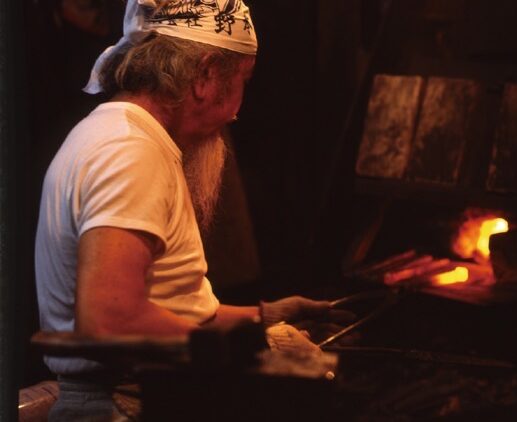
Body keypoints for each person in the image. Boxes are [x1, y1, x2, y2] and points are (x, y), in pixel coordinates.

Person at [34, 1, 344, 419]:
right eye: (242, 81)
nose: (237, 110)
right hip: (127, 406)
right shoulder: (130, 151)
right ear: (205, 75)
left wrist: (263, 318)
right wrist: (251, 349)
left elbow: (167, 307)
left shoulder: (116, 134)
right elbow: (109, 319)